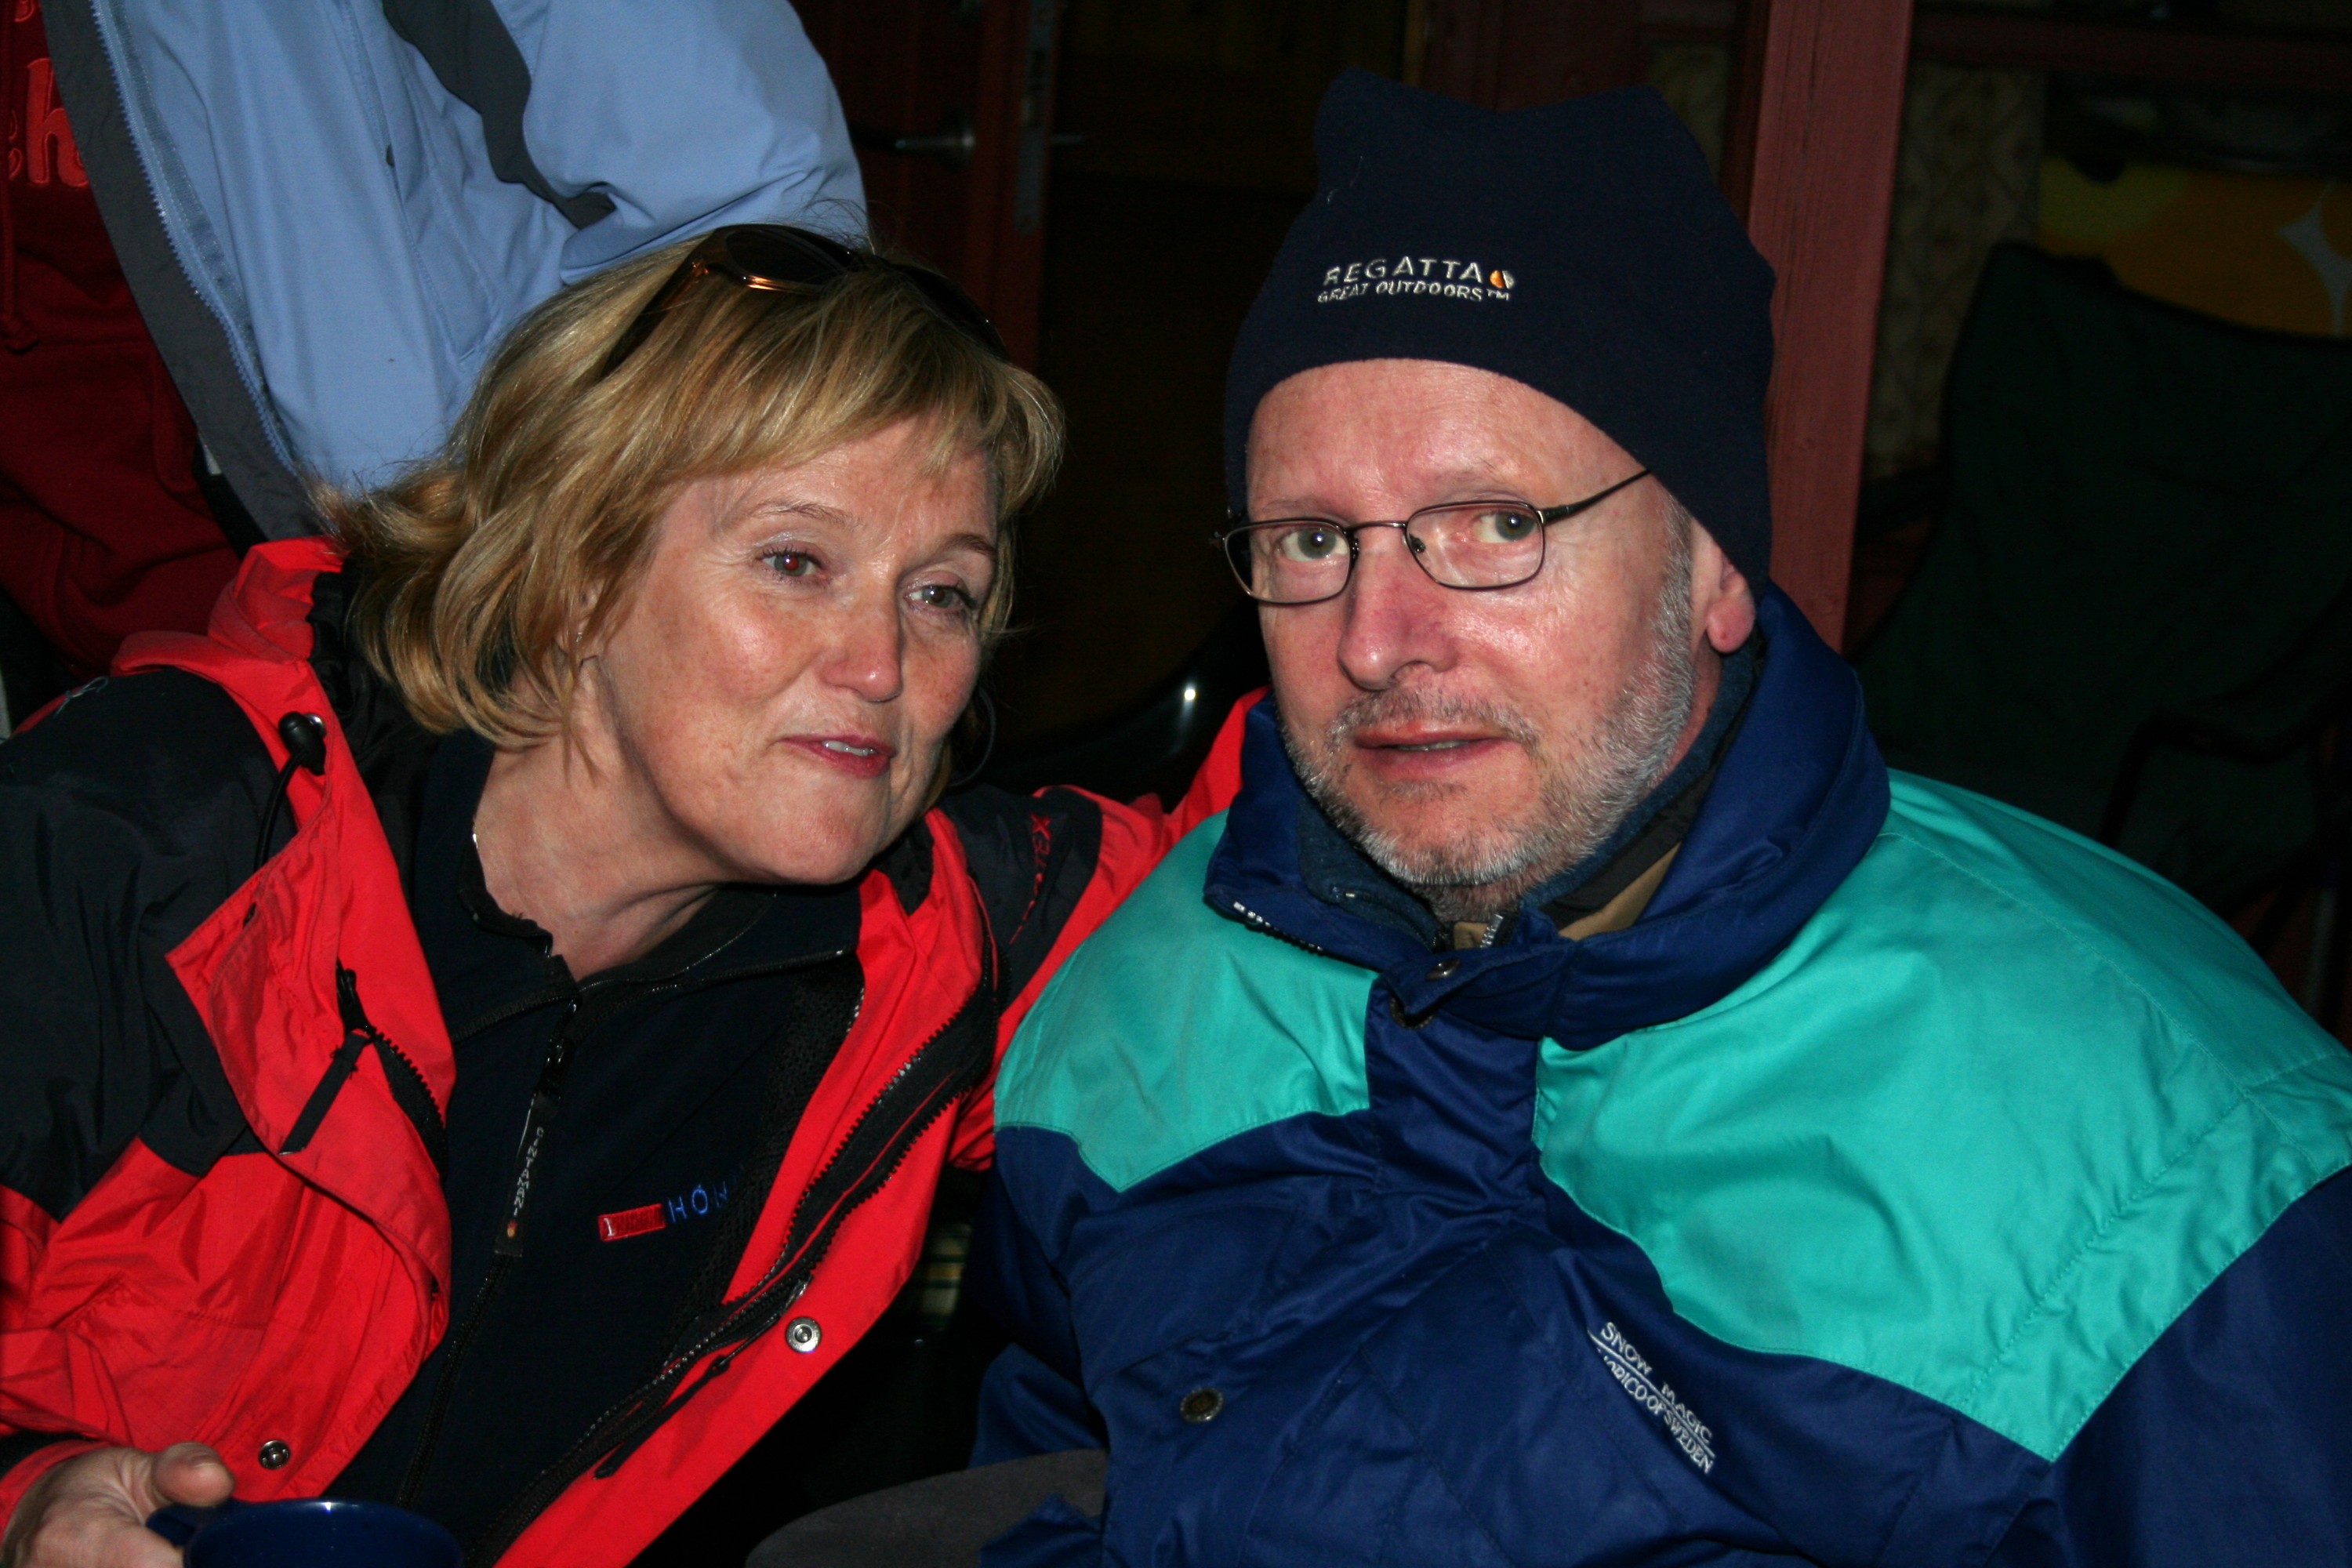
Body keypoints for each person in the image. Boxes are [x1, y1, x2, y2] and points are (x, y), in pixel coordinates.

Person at [964, 73, 2352, 1566]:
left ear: (1715, 567)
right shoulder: (1140, 1008)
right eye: (1312, 539)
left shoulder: (2178, 1162)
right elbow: (1042, 1491)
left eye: (1497, 525)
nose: (1376, 639)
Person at [0, 226, 1233, 1566]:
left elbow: (1302, 848)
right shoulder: (150, 850)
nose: (882, 665)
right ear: (578, 572)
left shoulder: (937, 954)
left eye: (941, 593)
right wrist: (23, 1499)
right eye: (796, 562)